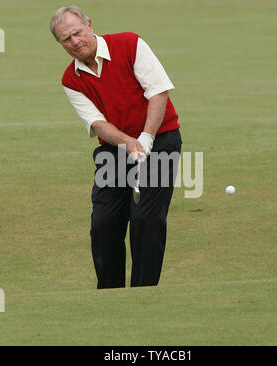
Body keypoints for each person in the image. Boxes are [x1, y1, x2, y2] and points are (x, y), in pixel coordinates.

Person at [50, 6, 182, 289]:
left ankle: (142, 292)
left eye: (77, 32)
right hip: (114, 150)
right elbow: (96, 123)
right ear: (60, 44)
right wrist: (128, 142)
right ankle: (110, 293)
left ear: (89, 25)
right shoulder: (71, 80)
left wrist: (146, 137)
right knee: (104, 223)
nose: (74, 41)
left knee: (146, 219)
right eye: (66, 39)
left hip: (160, 141)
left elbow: (158, 92)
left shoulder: (130, 44)